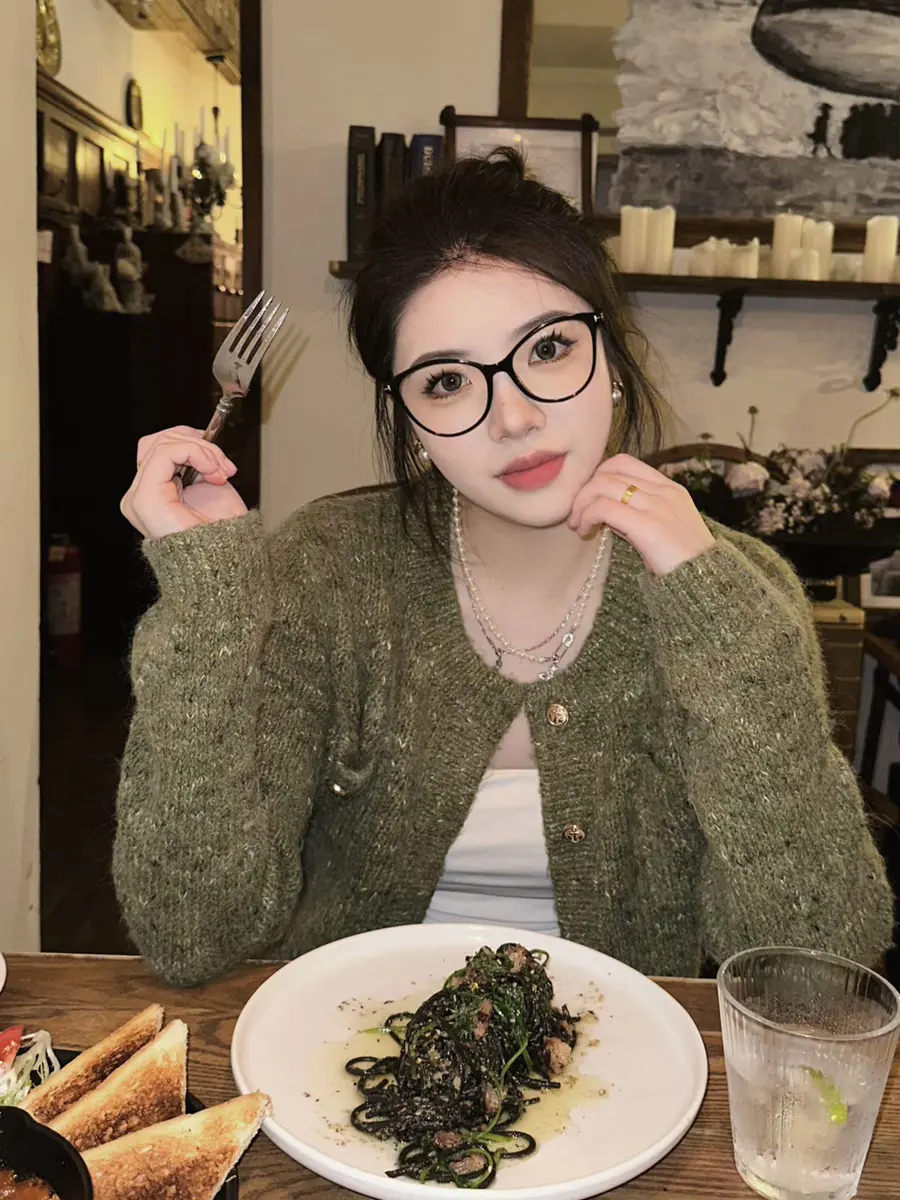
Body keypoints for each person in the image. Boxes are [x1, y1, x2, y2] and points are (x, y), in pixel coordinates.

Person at [116, 150, 893, 988]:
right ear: (410, 419)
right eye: (448, 381)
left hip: (622, 1059)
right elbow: (193, 937)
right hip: (343, 1046)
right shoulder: (324, 571)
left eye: (549, 348)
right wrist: (208, 604)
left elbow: (815, 974)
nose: (515, 418)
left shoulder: (733, 590)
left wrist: (718, 624)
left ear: (612, 355)